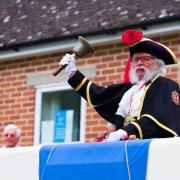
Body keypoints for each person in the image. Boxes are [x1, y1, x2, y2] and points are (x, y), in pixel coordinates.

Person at [59, 29, 180, 141]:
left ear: (158, 65)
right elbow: (99, 96)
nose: (139, 63)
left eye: (145, 58)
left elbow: (158, 118)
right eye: (135, 59)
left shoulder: (166, 85)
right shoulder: (130, 90)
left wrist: (125, 131)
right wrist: (72, 72)